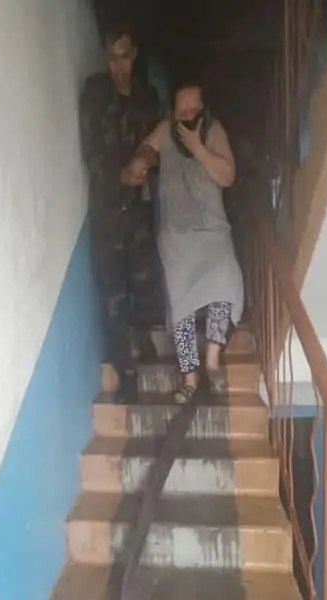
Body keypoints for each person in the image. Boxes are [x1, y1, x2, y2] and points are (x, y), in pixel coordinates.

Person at [122, 81, 245, 403]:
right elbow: (147, 148)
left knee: (225, 283)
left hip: (212, 232)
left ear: (203, 109)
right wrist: (140, 161)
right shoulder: (165, 130)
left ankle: (212, 362)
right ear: (173, 113)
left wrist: (198, 148)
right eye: (183, 110)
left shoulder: (213, 130)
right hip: (176, 238)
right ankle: (189, 378)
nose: (189, 115)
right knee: (181, 305)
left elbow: (228, 176)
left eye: (194, 109)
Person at [78, 22, 163, 403]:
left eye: (124, 56)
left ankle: (142, 336)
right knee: (113, 295)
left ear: (135, 54)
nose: (118, 66)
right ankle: (124, 370)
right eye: (111, 57)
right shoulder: (95, 93)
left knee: (144, 283)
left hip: (140, 209)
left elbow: (161, 144)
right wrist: (122, 174)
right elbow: (92, 150)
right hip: (108, 210)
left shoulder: (148, 97)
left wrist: (148, 160)